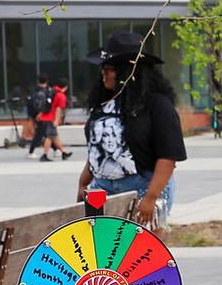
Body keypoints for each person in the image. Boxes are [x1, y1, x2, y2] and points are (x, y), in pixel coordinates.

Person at [76, 32, 186, 227]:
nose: (104, 73)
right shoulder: (103, 104)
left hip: (143, 186)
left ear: (128, 72)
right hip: (102, 188)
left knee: (138, 254)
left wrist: (151, 198)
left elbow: (168, 156)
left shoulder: (157, 105)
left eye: (110, 69)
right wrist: (84, 182)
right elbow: (98, 148)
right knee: (106, 254)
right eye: (103, 68)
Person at [39, 77, 71, 161]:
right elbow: (58, 109)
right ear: (66, 87)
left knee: (54, 137)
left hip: (45, 117)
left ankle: (64, 152)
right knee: (50, 137)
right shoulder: (61, 95)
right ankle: (44, 155)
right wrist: (57, 120)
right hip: (51, 119)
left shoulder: (52, 91)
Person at [25, 76, 53, 157]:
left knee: (45, 132)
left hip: (35, 114)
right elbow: (43, 104)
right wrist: (41, 113)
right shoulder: (45, 91)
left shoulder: (34, 90)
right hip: (42, 115)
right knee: (41, 133)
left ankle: (57, 149)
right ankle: (31, 152)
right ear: (47, 81)